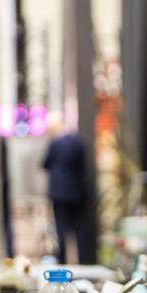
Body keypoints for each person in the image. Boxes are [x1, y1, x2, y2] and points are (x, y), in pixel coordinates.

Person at [42, 113, 87, 264]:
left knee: (61, 228)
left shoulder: (54, 143)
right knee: (79, 229)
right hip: (76, 191)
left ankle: (62, 261)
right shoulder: (78, 142)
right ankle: (83, 260)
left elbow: (45, 164)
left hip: (59, 193)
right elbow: (82, 165)